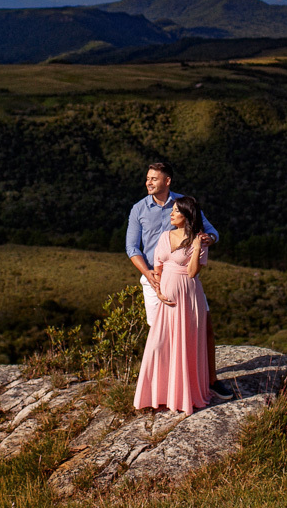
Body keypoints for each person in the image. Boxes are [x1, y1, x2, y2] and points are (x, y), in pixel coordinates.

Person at [125, 163, 234, 401]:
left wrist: (208, 239)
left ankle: (211, 380)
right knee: (160, 333)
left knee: (204, 327)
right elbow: (132, 247)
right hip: (154, 276)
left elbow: (212, 231)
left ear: (167, 181)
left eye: (154, 178)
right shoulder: (139, 209)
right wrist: (150, 274)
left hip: (185, 280)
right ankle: (161, 389)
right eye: (147, 178)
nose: (148, 182)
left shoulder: (183, 204)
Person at [133, 196, 210, 414]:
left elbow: (193, 272)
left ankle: (183, 397)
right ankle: (155, 395)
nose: (171, 214)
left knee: (185, 347)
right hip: (167, 301)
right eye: (172, 210)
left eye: (176, 211)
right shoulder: (165, 236)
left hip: (188, 299)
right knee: (159, 345)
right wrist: (158, 291)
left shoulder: (200, 241)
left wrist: (196, 248)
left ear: (187, 216)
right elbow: (157, 269)